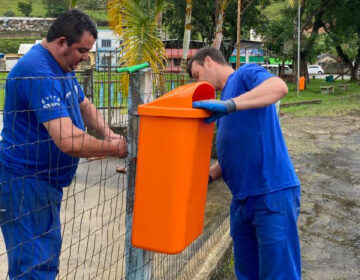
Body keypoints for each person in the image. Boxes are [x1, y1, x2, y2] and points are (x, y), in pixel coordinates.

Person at [0, 9, 127, 279]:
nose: (85, 57)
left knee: (45, 259)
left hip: (46, 183)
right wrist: (113, 149)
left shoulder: (63, 66)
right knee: (32, 267)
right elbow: (67, 140)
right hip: (25, 182)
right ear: (61, 42)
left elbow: (84, 105)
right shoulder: (39, 71)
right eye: (82, 50)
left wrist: (108, 134)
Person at [188, 47, 301, 280]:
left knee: (279, 274)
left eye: (197, 75)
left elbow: (279, 87)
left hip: (270, 192)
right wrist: (205, 177)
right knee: (247, 274)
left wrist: (231, 105)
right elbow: (234, 154)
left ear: (209, 61)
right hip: (241, 200)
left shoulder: (244, 74)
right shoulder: (223, 102)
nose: (198, 82)